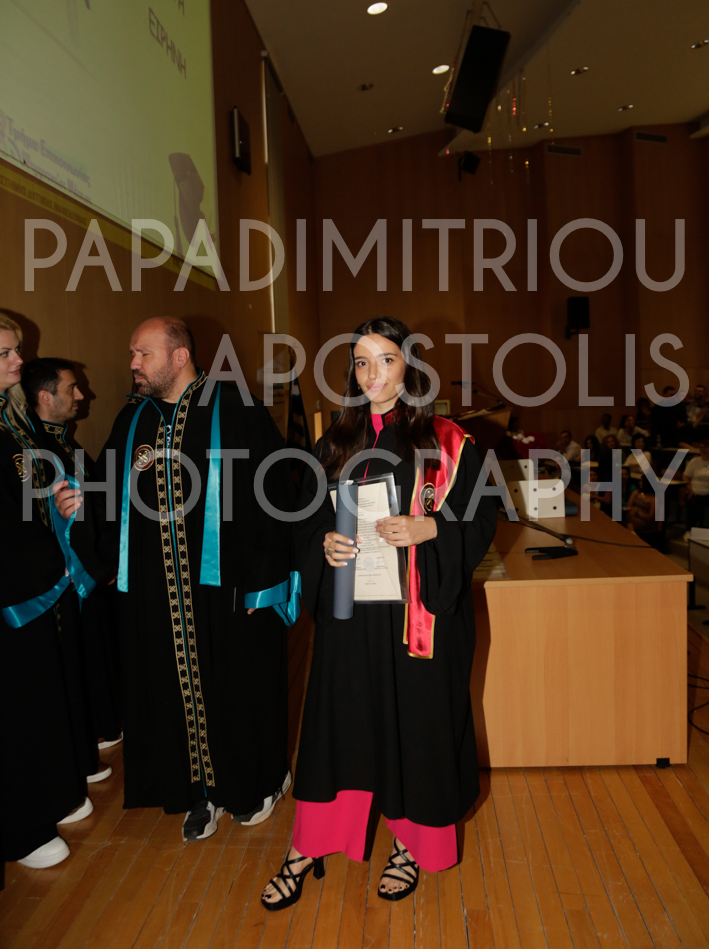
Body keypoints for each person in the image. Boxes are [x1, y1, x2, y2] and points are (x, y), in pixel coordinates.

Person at [261, 315, 497, 911]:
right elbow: (308, 520)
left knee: (418, 726)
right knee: (338, 725)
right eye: (362, 363)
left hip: (418, 617)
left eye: (386, 360)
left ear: (409, 367)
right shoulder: (335, 442)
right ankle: (309, 844)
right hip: (351, 616)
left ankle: (411, 844)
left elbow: (481, 518)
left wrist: (431, 528)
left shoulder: (449, 441)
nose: (373, 374)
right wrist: (323, 543)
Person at [55, 317, 298, 843]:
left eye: (143, 353)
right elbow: (108, 497)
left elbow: (278, 497)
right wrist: (79, 508)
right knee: (175, 693)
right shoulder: (132, 420)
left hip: (229, 591)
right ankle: (200, 791)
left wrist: (266, 582)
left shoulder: (237, 410)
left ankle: (260, 781)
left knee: (238, 688)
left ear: (180, 356)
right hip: (159, 596)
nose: (133, 364)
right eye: (133, 354)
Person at [0, 316, 97, 870]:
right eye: (7, 354)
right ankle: (22, 827)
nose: (20, 361)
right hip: (15, 587)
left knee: (40, 690)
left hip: (36, 579)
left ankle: (50, 795)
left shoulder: (14, 421)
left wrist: (59, 507)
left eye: (16, 351)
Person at [22, 357, 122, 750]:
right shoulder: (38, 450)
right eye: (71, 388)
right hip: (70, 578)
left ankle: (102, 725)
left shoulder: (64, 442)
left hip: (93, 570)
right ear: (45, 397)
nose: (82, 395)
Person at [683, 438, 709, 530]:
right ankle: (689, 530)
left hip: (708, 492)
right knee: (693, 503)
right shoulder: (695, 461)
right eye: (701, 448)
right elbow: (685, 476)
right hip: (694, 491)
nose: (703, 450)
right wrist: (690, 489)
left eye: (705, 447)